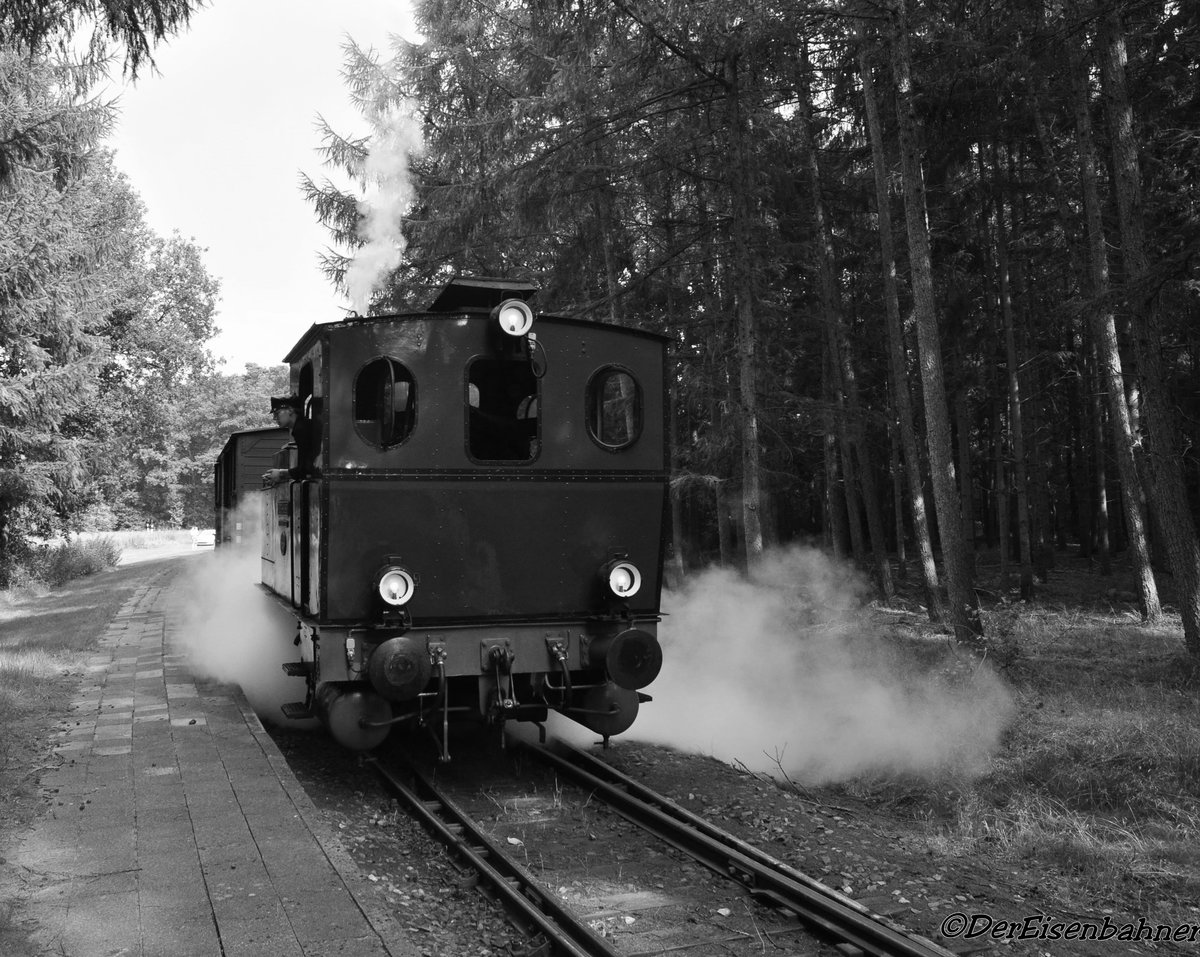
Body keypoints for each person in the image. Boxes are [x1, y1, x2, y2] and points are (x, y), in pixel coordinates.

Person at [263, 395, 320, 485]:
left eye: (277, 413)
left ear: (290, 410)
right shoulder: (302, 427)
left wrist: (281, 473)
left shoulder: (301, 429)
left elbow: (307, 469)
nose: (274, 418)